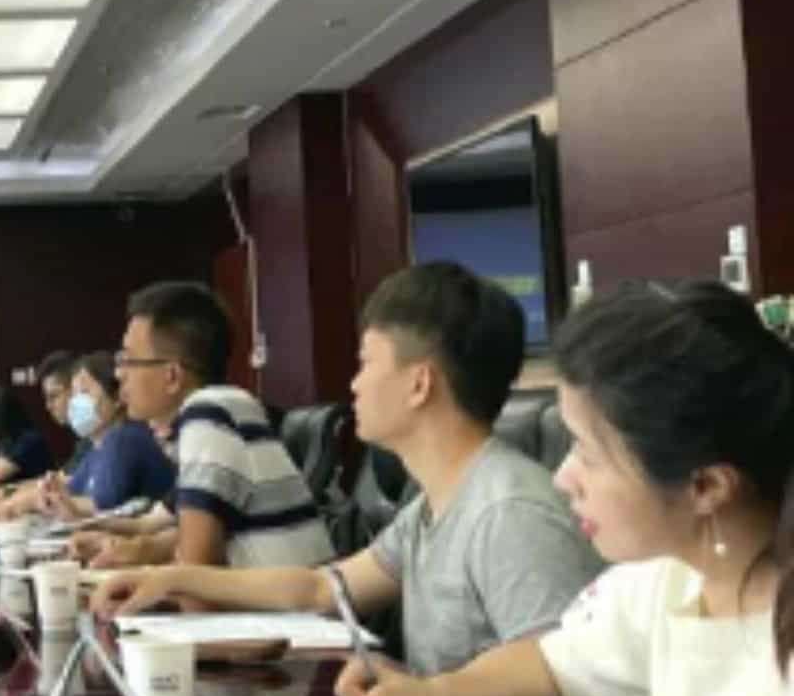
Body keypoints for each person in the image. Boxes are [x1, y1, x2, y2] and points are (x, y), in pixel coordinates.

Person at [335, 282, 794, 696]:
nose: (563, 477)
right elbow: (551, 667)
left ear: (706, 487)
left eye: (589, 455)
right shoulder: (664, 582)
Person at [93, 263, 599, 674]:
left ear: (419, 384)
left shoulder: (510, 510)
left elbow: (559, 671)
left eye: (366, 363)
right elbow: (318, 588)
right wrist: (169, 578)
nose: (354, 384)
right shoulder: (430, 508)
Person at [97, 281, 333, 572]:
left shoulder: (208, 414)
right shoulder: (222, 409)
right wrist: (125, 549)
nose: (119, 373)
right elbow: (184, 539)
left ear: (172, 376)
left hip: (286, 600)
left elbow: (194, 567)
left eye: (128, 359)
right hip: (277, 596)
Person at [0, 351, 174, 519]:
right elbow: (69, 491)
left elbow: (101, 505)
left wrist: (32, 501)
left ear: (117, 397)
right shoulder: (97, 448)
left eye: (84, 392)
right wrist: (44, 492)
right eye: (74, 394)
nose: (76, 403)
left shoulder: (124, 438)